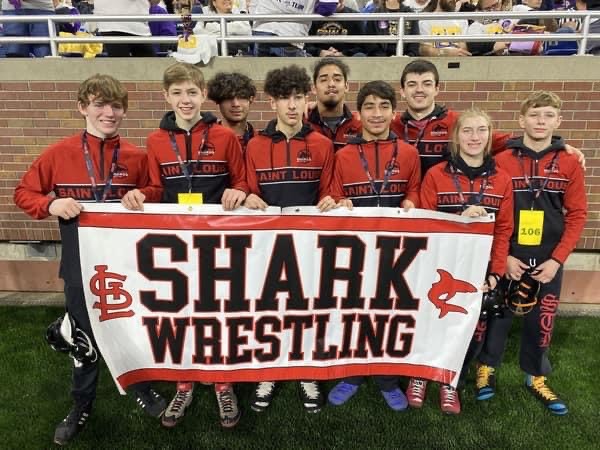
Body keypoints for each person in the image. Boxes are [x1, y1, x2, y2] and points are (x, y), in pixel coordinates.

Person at [13, 74, 167, 446]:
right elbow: (24, 192)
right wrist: (51, 203)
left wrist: (141, 195)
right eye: (100, 104)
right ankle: (81, 404)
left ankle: (142, 388)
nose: (108, 113)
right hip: (80, 265)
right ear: (83, 107)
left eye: (115, 106)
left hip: (128, 267)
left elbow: (156, 190)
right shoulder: (59, 153)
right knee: (84, 338)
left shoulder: (135, 155)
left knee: (132, 330)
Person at [121, 62, 247, 429]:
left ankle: (224, 384)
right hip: (176, 243)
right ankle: (184, 382)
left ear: (204, 95)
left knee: (219, 313)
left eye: (192, 92)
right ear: (166, 97)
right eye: (177, 93)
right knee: (181, 315)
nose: (185, 99)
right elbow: (157, 189)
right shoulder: (156, 141)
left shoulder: (224, 137)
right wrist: (139, 193)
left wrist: (239, 191)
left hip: (219, 241)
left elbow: (241, 181)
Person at [475, 91, 587, 416]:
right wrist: (504, 257)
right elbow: (493, 208)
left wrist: (557, 260)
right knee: (497, 316)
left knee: (542, 320)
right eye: (535, 115)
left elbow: (578, 214)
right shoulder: (502, 158)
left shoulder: (568, 162)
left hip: (548, 258)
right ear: (521, 120)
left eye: (548, 115)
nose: (541, 121)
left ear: (558, 121)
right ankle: (486, 368)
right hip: (508, 255)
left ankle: (536, 375)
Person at [244, 65, 336, 414]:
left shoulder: (322, 144)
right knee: (269, 311)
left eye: (299, 98)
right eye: (286, 98)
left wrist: (332, 200)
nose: (293, 105)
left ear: (308, 100)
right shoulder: (254, 145)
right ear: (272, 103)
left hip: (309, 246)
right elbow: (247, 190)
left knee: (306, 311)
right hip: (266, 247)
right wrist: (247, 196)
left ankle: (307, 372)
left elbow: (330, 191)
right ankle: (269, 370)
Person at [410, 108, 514, 414]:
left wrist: (495, 273)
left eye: (481, 130)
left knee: (464, 328)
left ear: (490, 136)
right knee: (430, 321)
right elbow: (425, 224)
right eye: (467, 130)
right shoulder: (436, 174)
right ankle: (420, 374)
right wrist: (458, 220)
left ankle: (449, 382)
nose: (474, 137)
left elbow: (504, 229)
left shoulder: (502, 180)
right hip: (439, 266)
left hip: (478, 272)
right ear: (456, 136)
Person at [326, 81, 421, 411]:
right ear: (359, 113)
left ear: (394, 112)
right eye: (369, 106)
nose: (377, 114)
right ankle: (352, 373)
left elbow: (415, 192)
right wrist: (339, 203)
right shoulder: (343, 155)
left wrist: (411, 202)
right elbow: (335, 195)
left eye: (383, 106)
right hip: (355, 251)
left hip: (396, 252)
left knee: (389, 316)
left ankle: (387, 379)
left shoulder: (409, 153)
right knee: (354, 314)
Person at [307, 58, 362, 151]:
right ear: (314, 88)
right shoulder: (302, 124)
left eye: (337, 79)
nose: (331, 84)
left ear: (346, 86)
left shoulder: (360, 125)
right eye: (324, 80)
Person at [252, 0, 338, 57]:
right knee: (293, 79)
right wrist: (312, 7)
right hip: (290, 34)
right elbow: (327, 8)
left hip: (262, 30)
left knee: (264, 79)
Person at [207, 71, 257, 152]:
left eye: (242, 97)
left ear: (251, 99)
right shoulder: (206, 139)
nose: (236, 104)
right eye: (228, 98)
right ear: (218, 101)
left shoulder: (261, 140)